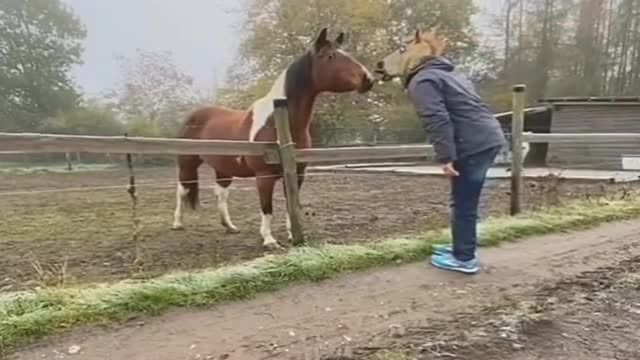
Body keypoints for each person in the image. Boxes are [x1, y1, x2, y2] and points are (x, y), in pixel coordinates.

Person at [406, 56, 506, 274]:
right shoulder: (450, 74)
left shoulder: (423, 80)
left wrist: (446, 156)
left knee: (463, 202)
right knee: (465, 199)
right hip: (488, 137)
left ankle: (464, 259)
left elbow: (436, 117)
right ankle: (461, 247)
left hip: (473, 143)